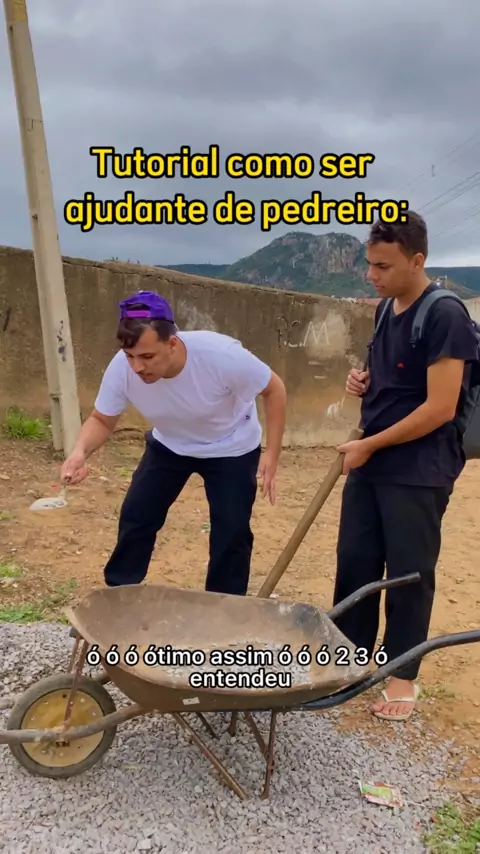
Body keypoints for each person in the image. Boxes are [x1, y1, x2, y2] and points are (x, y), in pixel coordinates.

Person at [331, 211, 479, 722]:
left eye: (383, 266)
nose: (371, 275)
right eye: (370, 264)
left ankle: (401, 675)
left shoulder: (444, 315)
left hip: (419, 467)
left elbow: (440, 408)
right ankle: (349, 658)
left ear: (417, 261)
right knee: (355, 561)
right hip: (373, 457)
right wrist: (362, 382)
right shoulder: (385, 309)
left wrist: (370, 445)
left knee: (408, 573)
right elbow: (393, 377)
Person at [60, 290, 287, 596]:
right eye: (130, 356)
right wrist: (79, 453)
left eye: (147, 357)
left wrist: (272, 454)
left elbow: (274, 389)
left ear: (172, 344)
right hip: (170, 445)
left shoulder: (222, 356)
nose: (137, 367)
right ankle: (120, 595)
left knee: (231, 531)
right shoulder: (122, 369)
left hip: (231, 446)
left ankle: (224, 606)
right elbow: (102, 420)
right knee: (137, 514)